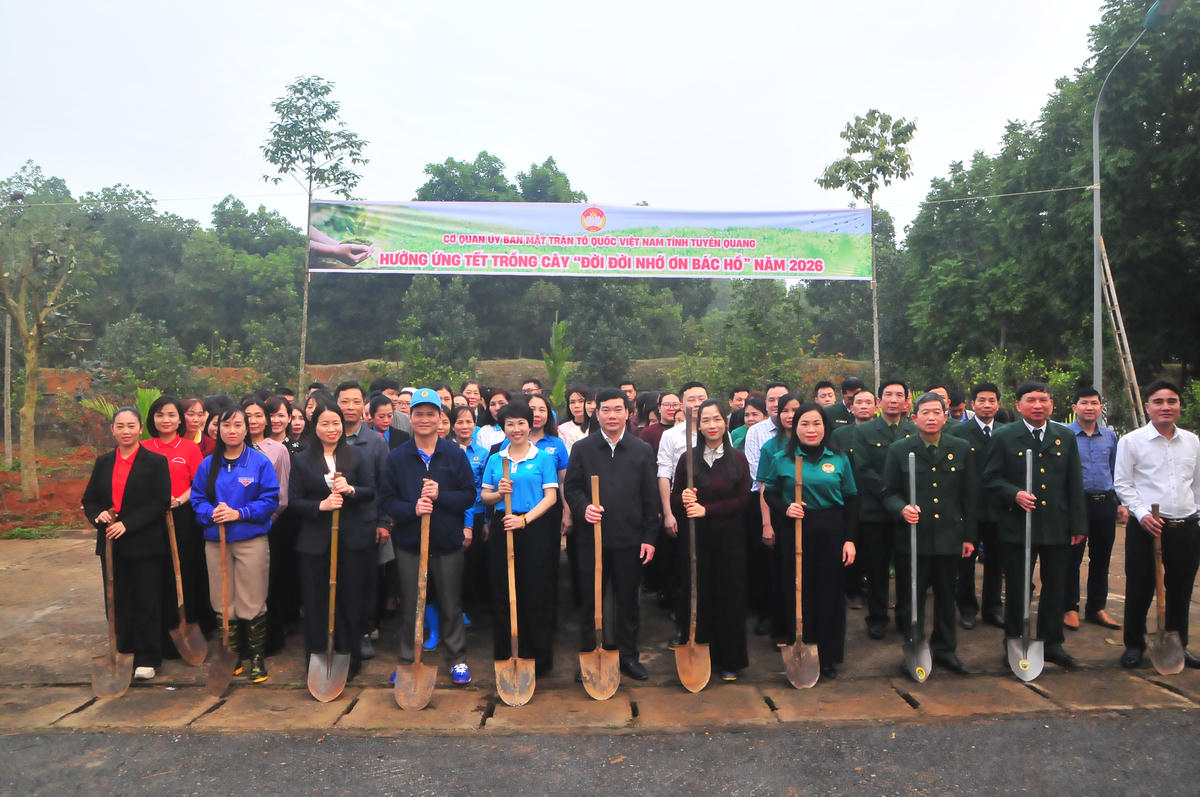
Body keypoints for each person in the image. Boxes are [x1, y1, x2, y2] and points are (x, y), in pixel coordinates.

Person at [983, 380, 1086, 670]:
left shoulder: (1064, 436)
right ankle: (1014, 642)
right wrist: (1013, 494)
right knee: (1018, 588)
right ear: (1018, 405)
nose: (1038, 405)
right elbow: (989, 479)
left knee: (1055, 587)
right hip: (1018, 526)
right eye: (1031, 400)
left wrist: (1078, 524)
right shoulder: (1005, 436)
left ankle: (1052, 643)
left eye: (1043, 400)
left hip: (1057, 525)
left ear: (1052, 404)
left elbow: (1074, 484)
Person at [379, 389, 475, 684]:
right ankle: (409, 659)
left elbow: (469, 495)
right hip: (410, 543)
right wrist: (412, 509)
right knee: (411, 602)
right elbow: (387, 499)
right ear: (411, 417)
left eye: (430, 414)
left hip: (447, 543)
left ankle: (457, 658)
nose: (424, 419)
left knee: (450, 602)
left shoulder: (454, 455)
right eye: (418, 414)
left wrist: (440, 496)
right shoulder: (397, 457)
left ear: (440, 418)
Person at [565, 387, 659, 680]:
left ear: (628, 413)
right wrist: (583, 509)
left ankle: (628, 657)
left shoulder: (641, 450)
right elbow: (572, 487)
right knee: (590, 600)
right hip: (590, 539)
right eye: (606, 409)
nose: (612, 415)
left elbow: (650, 497)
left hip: (629, 539)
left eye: (618, 409)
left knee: (627, 600)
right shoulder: (583, 449)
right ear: (596, 412)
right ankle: (590, 654)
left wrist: (649, 537)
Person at [758, 403, 857, 679]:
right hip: (796, 530)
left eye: (816, 423)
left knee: (830, 592)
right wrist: (786, 508)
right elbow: (770, 493)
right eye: (804, 424)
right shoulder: (782, 458)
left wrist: (849, 540)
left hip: (831, 529)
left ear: (825, 427)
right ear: (794, 427)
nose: (810, 429)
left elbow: (850, 499)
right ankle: (801, 645)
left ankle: (828, 655)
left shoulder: (838, 458)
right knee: (800, 590)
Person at [882, 392, 976, 674]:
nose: (932, 417)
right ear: (914, 417)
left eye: (937, 412)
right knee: (912, 598)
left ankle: (946, 649)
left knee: (947, 598)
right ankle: (914, 648)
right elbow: (888, 492)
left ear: (946, 417)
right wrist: (901, 509)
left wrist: (969, 536)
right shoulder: (900, 450)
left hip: (949, 537)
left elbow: (970, 497)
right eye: (925, 412)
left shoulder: (961, 448)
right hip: (913, 539)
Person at [1114, 379, 1200, 669]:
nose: (1166, 407)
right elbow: (1123, 484)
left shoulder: (1192, 441)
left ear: (1179, 406)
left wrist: (1195, 514)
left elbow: (1197, 485)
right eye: (1159, 402)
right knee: (1140, 587)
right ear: (1148, 406)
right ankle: (1134, 645)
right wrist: (1142, 514)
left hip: (1185, 527)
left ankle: (1179, 646)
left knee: (1181, 590)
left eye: (1172, 401)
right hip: (1147, 527)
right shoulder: (1131, 441)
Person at [82, 407, 172, 681]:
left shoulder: (155, 462)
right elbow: (90, 499)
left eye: (131, 426)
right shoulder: (103, 462)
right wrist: (97, 515)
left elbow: (159, 501)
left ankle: (148, 657)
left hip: (145, 543)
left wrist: (128, 523)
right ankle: (124, 650)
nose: (126, 431)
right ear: (112, 430)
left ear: (140, 429)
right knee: (118, 600)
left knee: (147, 599)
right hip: (111, 544)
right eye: (120, 426)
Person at [191, 407, 280, 683]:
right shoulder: (208, 463)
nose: (232, 430)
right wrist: (211, 512)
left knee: (252, 599)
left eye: (238, 424)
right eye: (226, 425)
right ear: (217, 430)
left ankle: (256, 657)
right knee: (221, 599)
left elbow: (270, 500)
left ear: (247, 428)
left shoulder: (259, 462)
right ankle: (231, 654)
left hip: (250, 538)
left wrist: (239, 513)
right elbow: (197, 500)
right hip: (216, 540)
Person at [289, 401, 375, 680]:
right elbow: (293, 502)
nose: (331, 429)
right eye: (324, 423)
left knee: (349, 598)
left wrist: (351, 489)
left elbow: (371, 491)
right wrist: (319, 507)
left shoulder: (357, 456)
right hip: (315, 542)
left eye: (336, 423)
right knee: (316, 600)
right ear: (315, 427)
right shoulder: (302, 459)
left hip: (350, 540)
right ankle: (317, 655)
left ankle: (349, 657)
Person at [670, 399, 751, 680]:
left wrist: (708, 510)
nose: (712, 425)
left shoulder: (738, 459)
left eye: (717, 419)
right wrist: (683, 499)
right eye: (705, 420)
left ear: (725, 422)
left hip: (728, 539)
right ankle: (697, 649)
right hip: (696, 541)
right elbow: (674, 496)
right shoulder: (687, 459)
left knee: (729, 596)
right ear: (698, 425)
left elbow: (743, 499)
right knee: (697, 593)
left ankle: (729, 659)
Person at [479, 401, 561, 676]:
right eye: (510, 424)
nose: (516, 429)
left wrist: (524, 520)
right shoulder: (495, 459)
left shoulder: (543, 458)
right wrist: (499, 493)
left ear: (531, 424)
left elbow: (551, 497)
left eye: (521, 423)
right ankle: (506, 653)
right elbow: (484, 496)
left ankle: (537, 657)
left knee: (534, 591)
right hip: (503, 525)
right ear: (503, 428)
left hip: (534, 527)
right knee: (504, 591)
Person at [845, 380, 917, 639]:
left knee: (907, 568)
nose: (894, 399)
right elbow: (863, 470)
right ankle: (877, 617)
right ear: (879, 402)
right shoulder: (865, 432)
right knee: (876, 568)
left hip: (908, 511)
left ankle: (906, 617)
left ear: (907, 402)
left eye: (899, 395)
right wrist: (890, 496)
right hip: (875, 510)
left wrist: (904, 502)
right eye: (888, 395)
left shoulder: (913, 429)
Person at [142, 396, 210, 635]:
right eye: (160, 415)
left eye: (171, 414)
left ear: (180, 419)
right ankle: (159, 628)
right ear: (152, 419)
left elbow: (199, 485)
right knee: (157, 573)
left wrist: (180, 499)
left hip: (183, 518)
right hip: (151, 520)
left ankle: (188, 623)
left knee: (185, 571)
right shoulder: (145, 447)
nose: (166, 420)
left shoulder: (190, 448)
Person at [334, 380, 391, 659]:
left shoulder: (376, 442)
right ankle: (339, 630)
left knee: (366, 579)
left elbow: (384, 484)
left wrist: (383, 521)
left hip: (366, 521)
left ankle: (365, 631)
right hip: (331, 521)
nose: (350, 407)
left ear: (364, 406)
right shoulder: (327, 437)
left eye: (356, 401)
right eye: (345, 401)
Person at [945, 382, 1006, 629]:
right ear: (973, 404)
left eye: (991, 400)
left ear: (998, 404)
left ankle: (993, 608)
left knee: (996, 561)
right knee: (966, 561)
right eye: (981, 400)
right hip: (968, 508)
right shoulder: (960, 433)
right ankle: (967, 607)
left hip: (999, 508)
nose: (987, 405)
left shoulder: (1006, 432)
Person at [1064, 387, 1124, 631]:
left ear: (1101, 407)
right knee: (1071, 558)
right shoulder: (1064, 435)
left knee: (1102, 558)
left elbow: (1115, 470)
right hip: (1076, 505)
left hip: (1105, 504)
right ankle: (1069, 607)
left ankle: (1097, 607)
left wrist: (1120, 504)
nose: (1089, 407)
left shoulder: (1110, 437)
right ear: (1074, 408)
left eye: (1094, 403)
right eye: (1084, 403)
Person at [639, 391, 679, 455]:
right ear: (659, 408)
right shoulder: (648, 432)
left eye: (675, 405)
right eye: (666, 405)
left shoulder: (687, 430)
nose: (671, 408)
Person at [558, 386, 597, 451]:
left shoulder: (600, 426)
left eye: (581, 401)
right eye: (572, 402)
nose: (576, 406)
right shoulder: (562, 429)